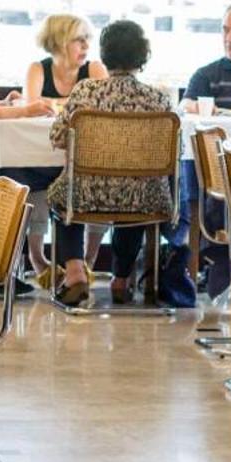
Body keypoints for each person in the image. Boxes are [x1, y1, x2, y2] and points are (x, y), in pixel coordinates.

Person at [46, 18, 176, 309]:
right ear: (143, 55)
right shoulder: (159, 99)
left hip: (86, 193)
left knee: (61, 196)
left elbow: (57, 137)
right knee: (136, 192)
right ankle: (121, 279)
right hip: (146, 196)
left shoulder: (85, 92)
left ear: (104, 55)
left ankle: (75, 272)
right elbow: (172, 154)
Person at [24, 14, 108, 111]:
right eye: (79, 39)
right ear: (58, 43)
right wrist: (82, 101)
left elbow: (104, 104)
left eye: (87, 38)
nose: (86, 46)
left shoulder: (95, 69)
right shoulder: (37, 69)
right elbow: (32, 105)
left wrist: (50, 102)